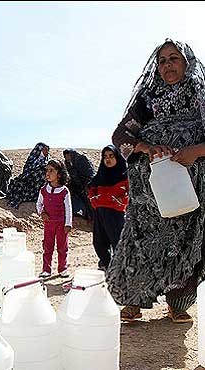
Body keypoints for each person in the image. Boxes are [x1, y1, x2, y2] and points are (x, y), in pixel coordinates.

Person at [108, 39, 205, 324]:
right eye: (162, 61)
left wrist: (194, 152)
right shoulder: (147, 100)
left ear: (187, 63)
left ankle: (178, 304)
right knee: (140, 241)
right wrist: (146, 148)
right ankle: (133, 301)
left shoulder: (200, 96)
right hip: (149, 192)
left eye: (174, 58)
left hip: (191, 190)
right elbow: (120, 136)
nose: (167, 65)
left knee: (185, 242)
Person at [88, 145, 128, 271]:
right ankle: (107, 265)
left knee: (117, 240)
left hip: (116, 214)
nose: (108, 159)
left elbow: (129, 193)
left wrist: (118, 202)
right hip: (100, 212)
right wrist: (95, 201)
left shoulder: (125, 175)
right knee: (99, 242)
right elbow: (91, 189)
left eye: (111, 156)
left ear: (117, 157)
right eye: (105, 157)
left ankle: (120, 268)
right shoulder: (100, 175)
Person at [36, 159, 72, 278]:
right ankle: (46, 269)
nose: (48, 173)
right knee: (47, 246)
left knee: (62, 247)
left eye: (51, 170)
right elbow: (39, 204)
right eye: (47, 170)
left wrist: (68, 224)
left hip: (61, 224)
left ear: (59, 174)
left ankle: (62, 269)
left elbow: (68, 209)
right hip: (48, 224)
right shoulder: (43, 190)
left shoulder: (64, 191)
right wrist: (42, 213)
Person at [6, 142, 49, 207]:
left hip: (39, 182)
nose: (47, 151)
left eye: (47, 149)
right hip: (29, 178)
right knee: (17, 184)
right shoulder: (32, 158)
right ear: (40, 149)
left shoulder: (47, 160)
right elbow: (27, 168)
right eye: (45, 149)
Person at [63, 149, 95, 220]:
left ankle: (93, 216)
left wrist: (85, 186)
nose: (67, 157)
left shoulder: (81, 159)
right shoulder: (68, 163)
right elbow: (72, 175)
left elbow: (90, 173)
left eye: (68, 155)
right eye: (65, 156)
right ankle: (79, 212)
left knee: (88, 197)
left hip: (88, 182)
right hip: (77, 182)